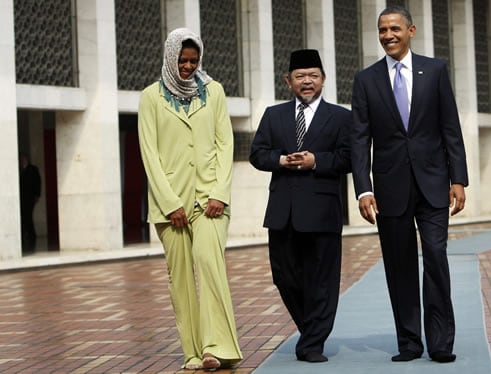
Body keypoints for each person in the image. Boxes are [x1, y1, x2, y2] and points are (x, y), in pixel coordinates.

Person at [350, 6, 469, 364]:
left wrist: (458, 178)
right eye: (382, 30)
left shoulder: (435, 71)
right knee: (399, 264)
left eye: (394, 28)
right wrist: (363, 188)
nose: (388, 35)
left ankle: (440, 341)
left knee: (435, 257)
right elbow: (359, 139)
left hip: (433, 183)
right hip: (390, 189)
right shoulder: (366, 79)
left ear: (411, 30)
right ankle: (409, 342)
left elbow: (451, 127)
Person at [137, 28, 242, 371]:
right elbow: (149, 154)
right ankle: (193, 353)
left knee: (210, 264)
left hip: (210, 199)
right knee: (180, 277)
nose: (187, 66)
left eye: (193, 61)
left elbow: (226, 144)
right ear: (170, 57)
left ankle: (217, 347)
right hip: (170, 204)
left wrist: (219, 193)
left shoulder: (214, 92)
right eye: (182, 60)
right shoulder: (150, 97)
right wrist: (169, 203)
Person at [249, 49, 351, 363]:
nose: (307, 82)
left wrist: (316, 160)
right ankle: (311, 328)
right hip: (283, 212)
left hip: (322, 212)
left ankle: (312, 343)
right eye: (300, 77)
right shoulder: (273, 115)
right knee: (284, 276)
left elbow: (350, 158)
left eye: (313, 76)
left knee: (322, 278)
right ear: (288, 81)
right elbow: (257, 153)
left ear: (323, 79)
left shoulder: (341, 117)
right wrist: (280, 160)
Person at [19, 152, 41, 255]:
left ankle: (32, 236)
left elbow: (38, 182)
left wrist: (37, 195)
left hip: (29, 199)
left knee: (28, 217)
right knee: (24, 218)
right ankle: (25, 237)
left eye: (23, 158)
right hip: (22, 199)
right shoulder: (20, 170)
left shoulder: (33, 169)